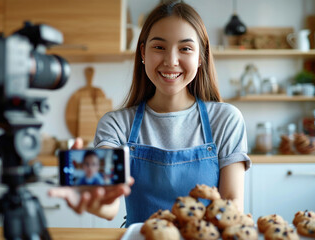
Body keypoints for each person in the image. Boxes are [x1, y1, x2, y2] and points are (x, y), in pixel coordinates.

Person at [49, 1, 251, 227]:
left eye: (185, 48)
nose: (171, 61)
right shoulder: (116, 124)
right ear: (143, 52)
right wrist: (96, 199)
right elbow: (109, 201)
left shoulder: (225, 120)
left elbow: (232, 205)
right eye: (159, 47)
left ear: (201, 57)